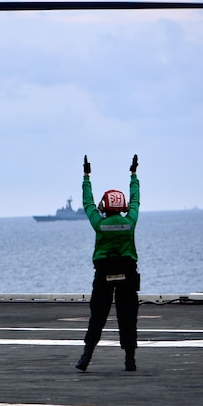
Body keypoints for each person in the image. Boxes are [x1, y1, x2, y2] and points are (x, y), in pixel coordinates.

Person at [76, 155, 141, 372]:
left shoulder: (100, 224)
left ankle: (86, 357)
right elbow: (136, 201)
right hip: (127, 273)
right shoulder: (129, 222)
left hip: (104, 273)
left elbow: (87, 204)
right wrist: (134, 176)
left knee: (98, 315)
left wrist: (86, 177)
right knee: (128, 315)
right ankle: (130, 360)